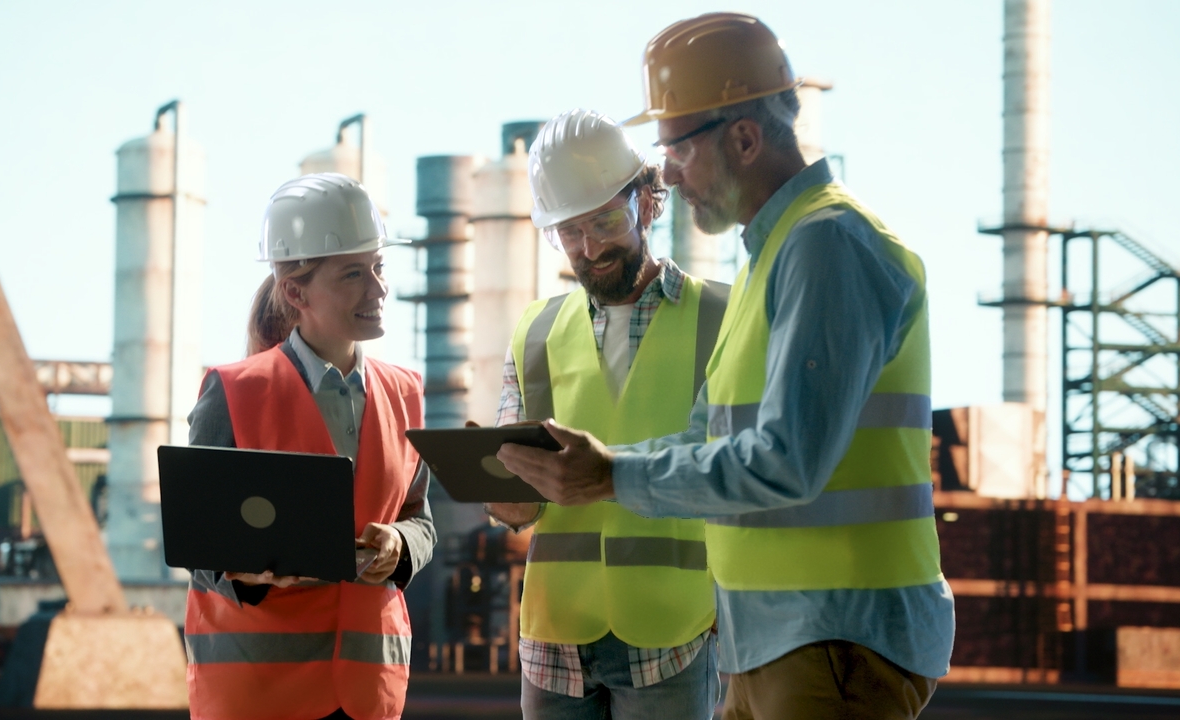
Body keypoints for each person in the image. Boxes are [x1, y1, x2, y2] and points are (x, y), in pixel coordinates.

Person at [497, 14, 954, 720]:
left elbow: (788, 462)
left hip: (835, 636)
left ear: (744, 136)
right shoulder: (771, 261)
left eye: (676, 150)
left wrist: (614, 473)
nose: (670, 177)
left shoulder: (825, 245)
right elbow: (711, 437)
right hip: (773, 641)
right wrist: (597, 466)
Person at [485, 109, 728, 720]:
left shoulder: (721, 318)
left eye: (604, 220)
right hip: (554, 637)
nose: (589, 248)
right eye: (569, 232)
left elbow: (742, 473)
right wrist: (502, 497)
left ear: (647, 202)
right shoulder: (535, 332)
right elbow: (519, 501)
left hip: (675, 632)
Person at [184, 173, 436, 720]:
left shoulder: (405, 392)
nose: (378, 289)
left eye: (379, 268)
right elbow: (198, 545)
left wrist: (399, 543)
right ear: (296, 292)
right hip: (258, 690)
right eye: (353, 274)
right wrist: (246, 572)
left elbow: (422, 521)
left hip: (370, 689)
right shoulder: (233, 392)